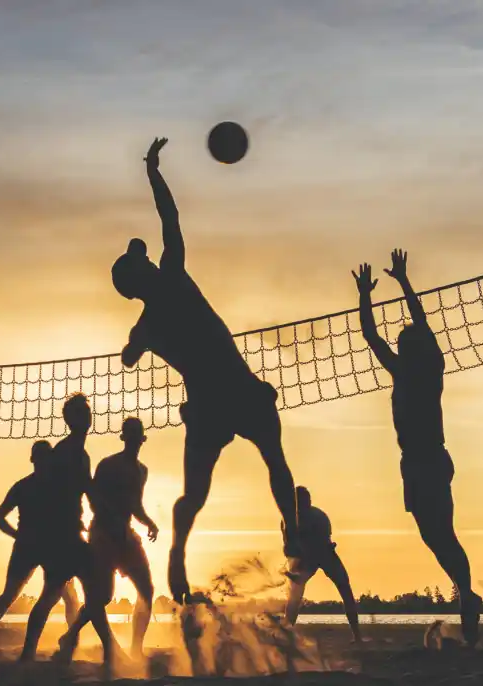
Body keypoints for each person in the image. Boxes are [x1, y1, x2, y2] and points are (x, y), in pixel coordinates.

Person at [110, 137, 301, 603]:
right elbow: (169, 218)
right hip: (235, 388)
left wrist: (137, 342)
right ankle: (292, 532)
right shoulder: (171, 275)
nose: (148, 255)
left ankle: (177, 553)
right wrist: (153, 171)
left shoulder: (147, 322)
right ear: (143, 274)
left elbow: (127, 359)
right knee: (274, 458)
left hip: (206, 405)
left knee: (195, 496)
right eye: (142, 259)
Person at [352, 249, 482, 646]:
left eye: (401, 342)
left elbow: (388, 332)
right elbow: (380, 335)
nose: (397, 344)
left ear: (410, 349)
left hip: (427, 458)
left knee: (441, 531)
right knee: (434, 534)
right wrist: (384, 288)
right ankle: (466, 591)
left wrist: (380, 291)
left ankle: (467, 594)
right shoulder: (414, 369)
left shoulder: (421, 370)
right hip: (418, 461)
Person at [19, 394, 121, 665]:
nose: (87, 418)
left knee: (91, 594)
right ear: (69, 419)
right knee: (54, 596)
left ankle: (103, 647)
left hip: (72, 535)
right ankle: (31, 652)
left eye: (87, 413)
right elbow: (68, 492)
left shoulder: (79, 453)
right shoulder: (66, 452)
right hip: (61, 537)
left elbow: (87, 490)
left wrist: (102, 513)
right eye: (80, 414)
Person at [55, 417, 159, 663]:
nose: (134, 439)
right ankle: (70, 635)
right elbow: (94, 498)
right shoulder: (108, 465)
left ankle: (136, 648)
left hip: (125, 532)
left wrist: (149, 522)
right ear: (124, 438)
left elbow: (135, 505)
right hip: (102, 532)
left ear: (142, 439)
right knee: (102, 597)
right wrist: (110, 521)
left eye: (137, 434)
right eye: (129, 434)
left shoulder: (142, 470)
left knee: (146, 589)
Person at [0, 441, 79, 646]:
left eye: (45, 457)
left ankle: (72, 640)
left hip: (47, 546)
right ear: (34, 460)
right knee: (12, 596)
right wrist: (18, 536)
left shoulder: (53, 486)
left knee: (67, 595)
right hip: (33, 547)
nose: (43, 462)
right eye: (41, 457)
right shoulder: (27, 486)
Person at [283, 487, 361, 642]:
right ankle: (286, 634)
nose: (305, 506)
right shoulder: (288, 521)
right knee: (294, 596)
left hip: (325, 553)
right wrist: (294, 570)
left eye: (307, 502)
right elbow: (288, 547)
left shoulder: (319, 517)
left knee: (345, 588)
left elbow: (324, 543)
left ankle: (357, 635)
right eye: (301, 503)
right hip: (304, 558)